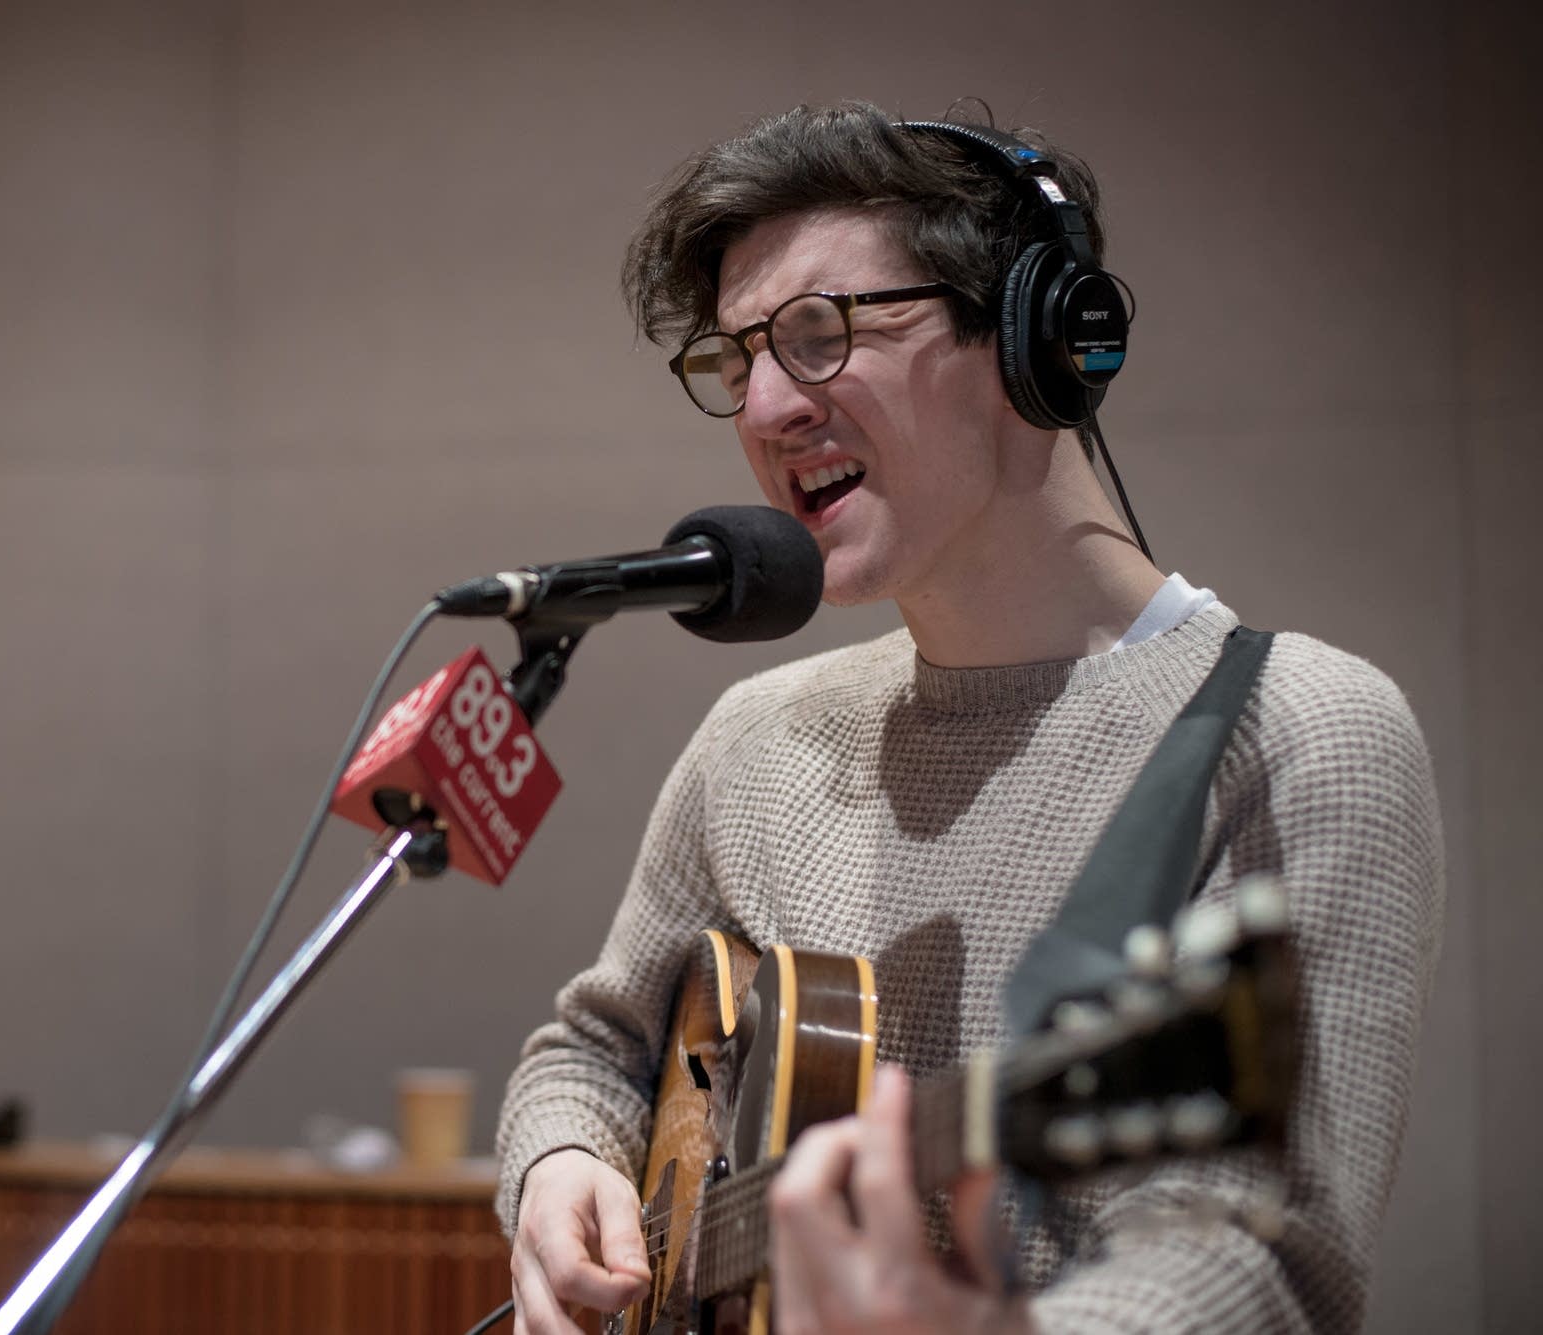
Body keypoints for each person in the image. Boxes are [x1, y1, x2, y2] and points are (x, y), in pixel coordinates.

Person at [492, 101, 1443, 1334]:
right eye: (735, 362)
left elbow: (1259, 1263)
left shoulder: (1296, 732)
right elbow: (593, 1052)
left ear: (1033, 336)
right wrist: (559, 1164)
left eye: (818, 335)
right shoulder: (756, 739)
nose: (766, 409)